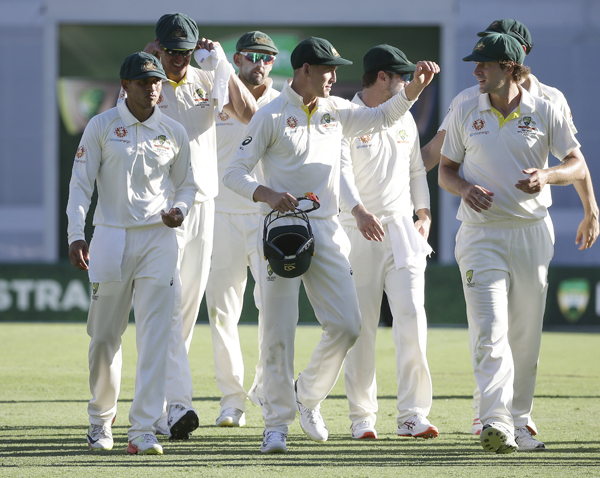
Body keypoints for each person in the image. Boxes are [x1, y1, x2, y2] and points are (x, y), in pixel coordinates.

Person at [224, 36, 439, 453]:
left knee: (347, 324)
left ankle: (306, 394)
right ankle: (277, 426)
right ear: (305, 70)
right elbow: (235, 173)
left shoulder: (336, 111)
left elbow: (381, 117)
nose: (334, 77)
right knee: (278, 330)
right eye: (327, 70)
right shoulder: (270, 115)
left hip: (325, 228)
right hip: (282, 230)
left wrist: (413, 90)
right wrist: (268, 195)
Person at [422, 18, 599, 437]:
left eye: (483, 63)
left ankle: (518, 417)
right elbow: (444, 168)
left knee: (524, 337)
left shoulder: (548, 104)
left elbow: (576, 164)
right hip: (480, 234)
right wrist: (463, 188)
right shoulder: (466, 104)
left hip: (532, 233)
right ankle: (494, 420)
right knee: (490, 330)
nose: (475, 70)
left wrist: (550, 178)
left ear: (510, 64)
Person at [119, 13, 259, 439]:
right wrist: (148, 57)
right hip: (161, 209)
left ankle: (156, 407)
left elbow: (249, 114)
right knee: (167, 302)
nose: (179, 59)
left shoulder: (206, 77)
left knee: (183, 310)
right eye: (170, 50)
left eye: (185, 50)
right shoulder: (148, 83)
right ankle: (177, 405)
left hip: (204, 203)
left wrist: (224, 67)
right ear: (158, 46)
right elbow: (119, 120)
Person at [66, 52, 197, 455]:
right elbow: (80, 185)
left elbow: (188, 185)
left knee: (156, 335)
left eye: (156, 81)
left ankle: (141, 428)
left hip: (159, 240)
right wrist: (76, 233)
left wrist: (180, 210)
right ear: (125, 86)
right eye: (144, 82)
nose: (153, 87)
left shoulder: (173, 130)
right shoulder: (102, 126)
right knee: (104, 336)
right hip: (111, 237)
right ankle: (100, 421)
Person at [339, 44, 438, 441]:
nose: (405, 85)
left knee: (412, 317)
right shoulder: (346, 116)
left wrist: (424, 212)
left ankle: (412, 415)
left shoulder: (404, 118)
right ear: (383, 78)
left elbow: (416, 168)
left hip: (401, 231)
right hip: (356, 231)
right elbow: (341, 173)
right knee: (361, 327)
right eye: (401, 78)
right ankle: (362, 417)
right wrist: (359, 211)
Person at [205, 31, 280, 428]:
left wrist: (220, 67)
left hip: (264, 216)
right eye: (252, 56)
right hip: (220, 215)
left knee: (272, 310)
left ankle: (266, 392)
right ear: (237, 59)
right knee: (222, 313)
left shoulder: (279, 101)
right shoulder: (215, 90)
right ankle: (232, 400)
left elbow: (250, 114)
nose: (260, 63)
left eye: (267, 57)